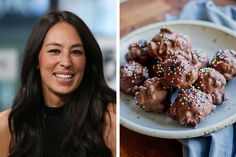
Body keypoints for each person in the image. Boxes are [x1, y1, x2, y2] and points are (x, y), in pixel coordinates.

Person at [0, 11, 116, 157]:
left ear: (87, 61)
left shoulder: (110, 119)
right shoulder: (7, 126)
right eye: (54, 51)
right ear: (37, 59)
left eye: (76, 52)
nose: (66, 62)